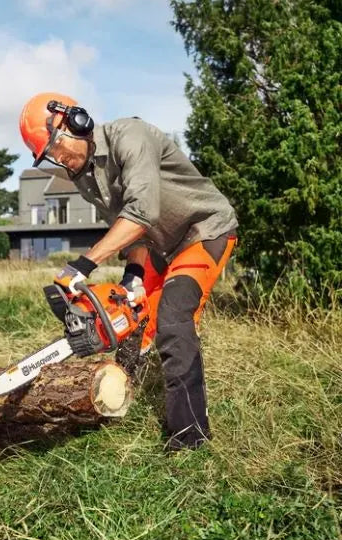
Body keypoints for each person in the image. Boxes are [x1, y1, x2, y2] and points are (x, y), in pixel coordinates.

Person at [19, 92, 238, 452]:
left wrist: (83, 265)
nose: (60, 160)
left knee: (172, 317)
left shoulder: (130, 138)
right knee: (132, 317)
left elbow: (141, 213)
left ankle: (190, 436)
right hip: (158, 244)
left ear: (76, 122)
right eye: (51, 157)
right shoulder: (84, 177)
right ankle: (119, 400)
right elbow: (128, 225)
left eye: (57, 148)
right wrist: (133, 275)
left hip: (203, 231)